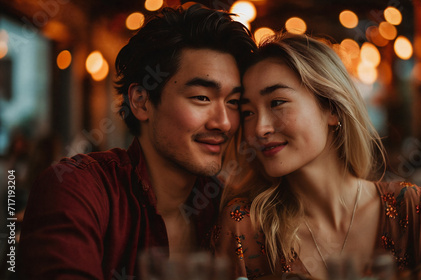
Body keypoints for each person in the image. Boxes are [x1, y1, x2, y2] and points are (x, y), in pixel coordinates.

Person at [18, 4, 256, 279]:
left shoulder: (227, 209)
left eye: (234, 102)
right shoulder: (76, 188)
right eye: (202, 97)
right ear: (141, 102)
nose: (224, 122)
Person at [211, 33, 421, 280]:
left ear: (332, 109)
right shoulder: (245, 225)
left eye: (277, 102)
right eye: (247, 113)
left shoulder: (407, 210)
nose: (259, 128)